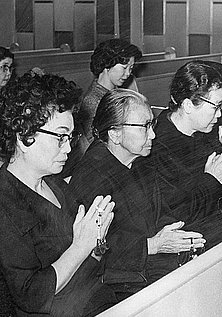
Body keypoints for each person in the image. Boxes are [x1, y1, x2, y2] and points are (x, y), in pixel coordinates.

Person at [0, 71, 118, 317]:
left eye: (70, 136)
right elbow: (32, 295)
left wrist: (97, 241)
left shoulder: (55, 183)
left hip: (94, 298)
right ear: (24, 137)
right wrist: (82, 246)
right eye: (61, 136)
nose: (69, 146)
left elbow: (92, 257)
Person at [68, 88, 205, 301]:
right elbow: (96, 248)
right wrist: (154, 245)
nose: (153, 134)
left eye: (152, 124)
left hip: (150, 264)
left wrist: (175, 234)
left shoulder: (139, 160)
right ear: (114, 133)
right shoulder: (91, 175)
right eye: (144, 127)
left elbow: (161, 212)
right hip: (118, 281)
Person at [147, 60, 222, 240]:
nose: (219, 115)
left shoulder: (206, 130)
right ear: (187, 105)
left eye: (221, 106)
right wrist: (212, 180)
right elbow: (179, 215)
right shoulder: (158, 147)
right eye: (215, 106)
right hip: (206, 239)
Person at [79, 38, 142, 143]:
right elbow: (93, 143)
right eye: (124, 67)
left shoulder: (116, 91)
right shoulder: (92, 100)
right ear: (107, 64)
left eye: (130, 68)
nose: (128, 74)